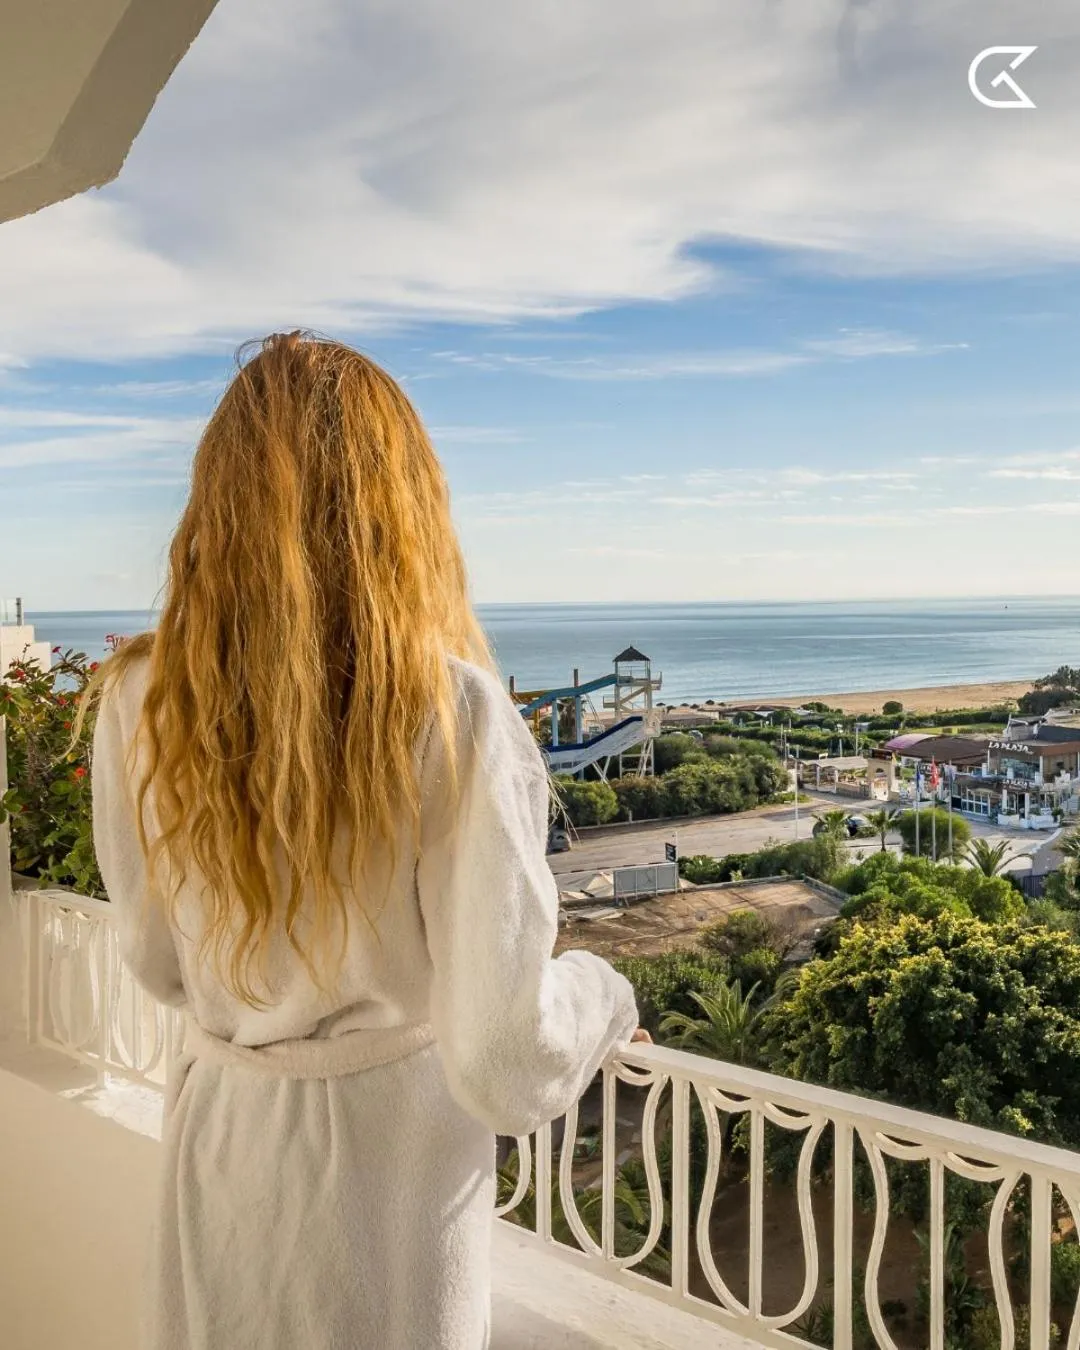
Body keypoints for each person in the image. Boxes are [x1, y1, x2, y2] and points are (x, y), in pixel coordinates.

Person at [80, 332, 645, 1350]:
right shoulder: (448, 712)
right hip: (388, 1185)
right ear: (400, 503)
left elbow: (159, 962)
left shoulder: (140, 700)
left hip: (225, 1149)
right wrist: (607, 997)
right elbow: (504, 1057)